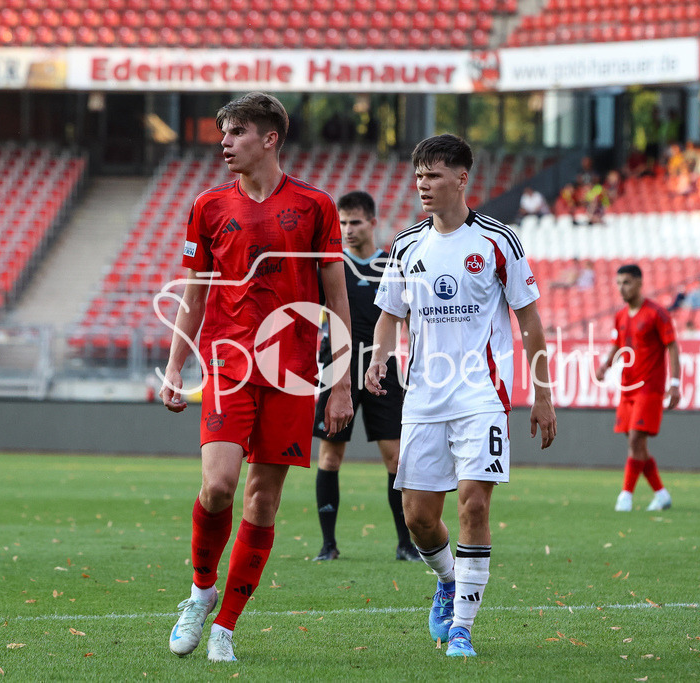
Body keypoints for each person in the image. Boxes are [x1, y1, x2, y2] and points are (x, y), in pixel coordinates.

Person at [158, 92, 354, 663]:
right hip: (228, 365)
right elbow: (195, 293)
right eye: (223, 132)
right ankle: (200, 590)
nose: (224, 142)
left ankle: (226, 626)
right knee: (218, 486)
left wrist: (339, 381)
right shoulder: (208, 206)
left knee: (262, 501)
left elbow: (335, 296)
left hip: (293, 374)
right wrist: (175, 367)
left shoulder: (316, 206)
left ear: (270, 139)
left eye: (237, 131)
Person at [365, 134, 557, 659]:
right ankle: (448, 581)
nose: (424, 185)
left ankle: (463, 629)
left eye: (434, 175)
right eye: (419, 176)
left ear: (462, 178)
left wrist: (542, 395)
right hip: (424, 398)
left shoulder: (499, 241)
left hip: (482, 395)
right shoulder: (406, 246)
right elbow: (389, 315)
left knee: (474, 503)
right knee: (418, 517)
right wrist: (378, 359)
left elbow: (530, 321)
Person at [311, 191, 418, 563]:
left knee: (395, 458)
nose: (348, 229)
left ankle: (405, 544)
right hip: (336, 367)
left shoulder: (392, 265)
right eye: (342, 223)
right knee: (331, 455)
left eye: (355, 222)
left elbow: (408, 318)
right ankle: (328, 544)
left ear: (373, 223)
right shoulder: (331, 264)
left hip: (382, 367)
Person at [595, 264, 681, 513]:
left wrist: (674, 383)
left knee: (635, 438)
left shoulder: (657, 313)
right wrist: (605, 366)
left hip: (650, 388)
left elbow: (672, 347)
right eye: (619, 283)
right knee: (637, 445)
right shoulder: (621, 315)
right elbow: (617, 344)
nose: (622, 288)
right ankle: (661, 494)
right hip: (628, 387)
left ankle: (625, 496)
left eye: (627, 282)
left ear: (640, 283)